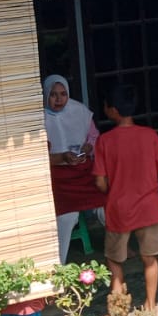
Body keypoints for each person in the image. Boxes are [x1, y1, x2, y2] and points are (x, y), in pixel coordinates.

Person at [92, 84, 158, 313]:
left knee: (114, 260)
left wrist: (112, 187)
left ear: (113, 110)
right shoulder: (150, 135)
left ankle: (118, 309)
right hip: (149, 207)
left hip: (119, 208)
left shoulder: (105, 141)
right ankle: (151, 304)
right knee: (150, 258)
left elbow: (99, 181)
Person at [43, 74, 105, 262]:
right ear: (46, 95)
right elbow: (38, 155)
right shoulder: (39, 118)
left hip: (83, 171)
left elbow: (94, 137)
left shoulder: (79, 111)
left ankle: (119, 247)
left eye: (63, 94)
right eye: (53, 94)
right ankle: (58, 263)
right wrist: (60, 157)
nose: (59, 99)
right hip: (57, 176)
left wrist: (88, 147)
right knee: (67, 217)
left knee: (106, 206)